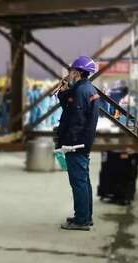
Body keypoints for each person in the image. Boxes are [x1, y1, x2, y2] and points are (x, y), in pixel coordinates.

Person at [58, 56, 100, 231]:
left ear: (77, 72)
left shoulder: (81, 91)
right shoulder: (86, 88)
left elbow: (76, 120)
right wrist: (63, 91)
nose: (69, 74)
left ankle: (81, 220)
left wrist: (70, 143)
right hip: (83, 142)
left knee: (78, 183)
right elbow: (70, 108)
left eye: (71, 71)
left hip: (77, 144)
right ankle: (85, 216)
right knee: (83, 181)